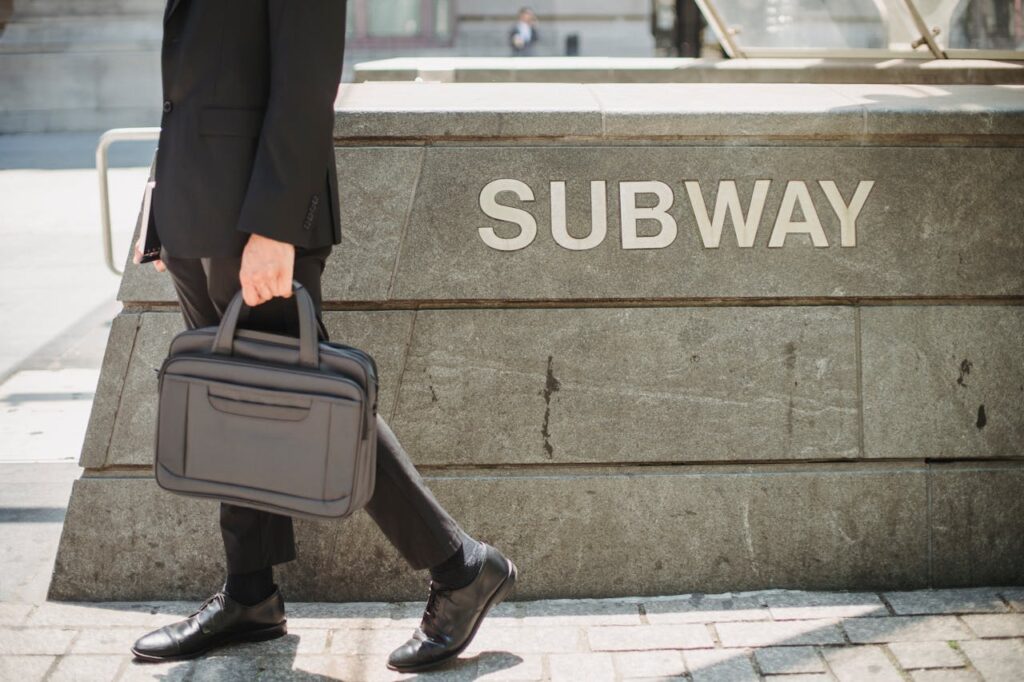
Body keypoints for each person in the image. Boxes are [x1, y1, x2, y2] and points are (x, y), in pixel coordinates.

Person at [128, 0, 517, 673]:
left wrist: (276, 227)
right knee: (232, 401)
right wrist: (163, 199)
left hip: (257, 215)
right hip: (197, 204)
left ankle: (460, 568)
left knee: (319, 403)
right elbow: (193, 75)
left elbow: (307, 79)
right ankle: (250, 595)